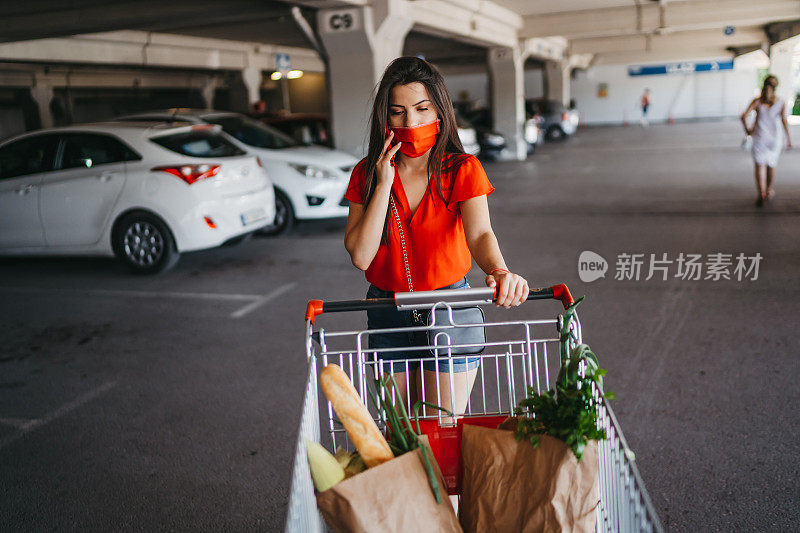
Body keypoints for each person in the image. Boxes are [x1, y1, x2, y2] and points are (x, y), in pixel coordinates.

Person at [343, 56, 529, 417]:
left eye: (421, 109)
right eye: (397, 112)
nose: (410, 123)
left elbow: (480, 234)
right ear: (385, 118)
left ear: (439, 112)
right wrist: (383, 185)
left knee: (440, 428)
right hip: (387, 310)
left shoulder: (461, 169)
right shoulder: (366, 174)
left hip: (449, 309)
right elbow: (362, 256)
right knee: (400, 433)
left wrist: (500, 271)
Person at [740, 75, 793, 206]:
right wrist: (789, 138)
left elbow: (743, 116)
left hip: (759, 137)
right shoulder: (780, 102)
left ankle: (761, 193)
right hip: (775, 139)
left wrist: (748, 130)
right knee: (771, 165)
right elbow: (783, 121)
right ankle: (769, 190)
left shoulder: (757, 101)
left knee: (759, 166)